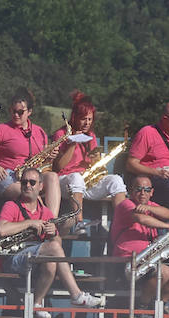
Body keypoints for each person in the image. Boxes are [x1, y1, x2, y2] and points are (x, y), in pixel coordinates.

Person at [0, 166, 103, 318]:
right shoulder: (11, 206)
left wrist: (54, 233)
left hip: (34, 259)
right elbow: (2, 230)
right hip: (11, 258)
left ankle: (37, 304)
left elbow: (56, 243)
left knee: (51, 261)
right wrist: (29, 223)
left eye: (32, 182)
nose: (28, 185)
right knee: (53, 249)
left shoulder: (45, 212)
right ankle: (76, 295)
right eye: (24, 182)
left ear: (41, 186)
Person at [54, 91, 126, 234]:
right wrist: (73, 143)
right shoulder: (61, 134)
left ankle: (122, 223)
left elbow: (95, 165)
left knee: (116, 180)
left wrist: (96, 160)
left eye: (90, 119)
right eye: (83, 119)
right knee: (76, 177)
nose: (87, 123)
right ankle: (79, 222)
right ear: (75, 118)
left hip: (86, 181)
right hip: (66, 182)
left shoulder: (91, 136)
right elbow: (58, 166)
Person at [0, 88, 60, 213]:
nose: (16, 115)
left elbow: (45, 162)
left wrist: (50, 157)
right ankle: (44, 220)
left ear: (29, 111)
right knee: (28, 191)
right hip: (8, 175)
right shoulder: (1, 129)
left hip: (32, 175)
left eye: (20, 112)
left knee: (52, 177)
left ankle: (52, 222)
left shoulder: (39, 131)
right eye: (13, 111)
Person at [111, 178, 169, 309]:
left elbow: (168, 213)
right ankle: (142, 307)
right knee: (163, 273)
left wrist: (149, 207)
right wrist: (166, 227)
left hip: (149, 260)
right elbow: (140, 218)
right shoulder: (125, 204)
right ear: (131, 191)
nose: (142, 193)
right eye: (138, 189)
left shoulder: (150, 206)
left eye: (147, 190)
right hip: (127, 261)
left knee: (164, 272)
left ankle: (161, 306)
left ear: (152, 192)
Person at [126, 101, 169, 209]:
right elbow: (131, 164)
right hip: (154, 179)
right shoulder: (147, 133)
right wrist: (157, 172)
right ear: (165, 119)